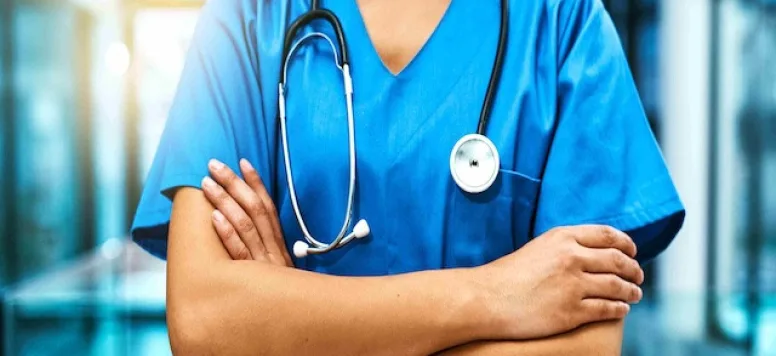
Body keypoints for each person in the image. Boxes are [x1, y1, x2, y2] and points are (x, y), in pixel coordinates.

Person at [131, 0, 686, 354]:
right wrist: (500, 294)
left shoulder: (563, 22)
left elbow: (583, 348)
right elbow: (204, 320)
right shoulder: (248, 16)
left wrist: (293, 329)